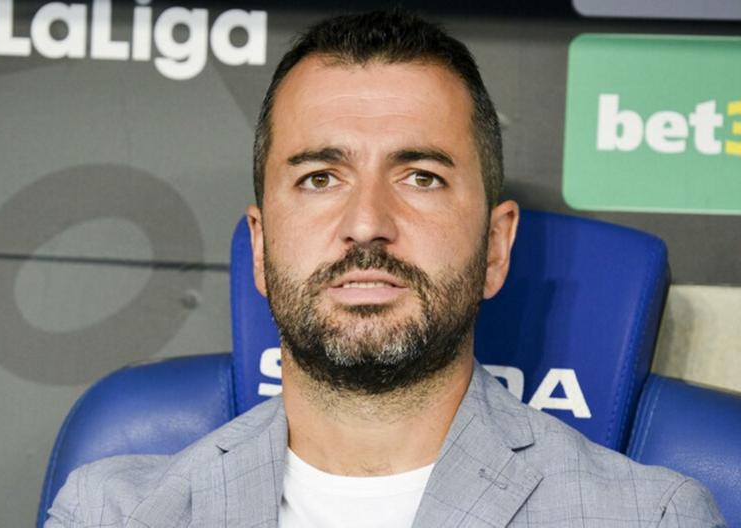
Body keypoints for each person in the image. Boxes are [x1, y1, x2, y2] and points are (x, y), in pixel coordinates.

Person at [46, 10, 725, 527]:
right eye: (319, 177)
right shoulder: (113, 513)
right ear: (260, 246)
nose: (367, 221)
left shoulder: (647, 518)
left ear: (495, 247)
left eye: (421, 176)